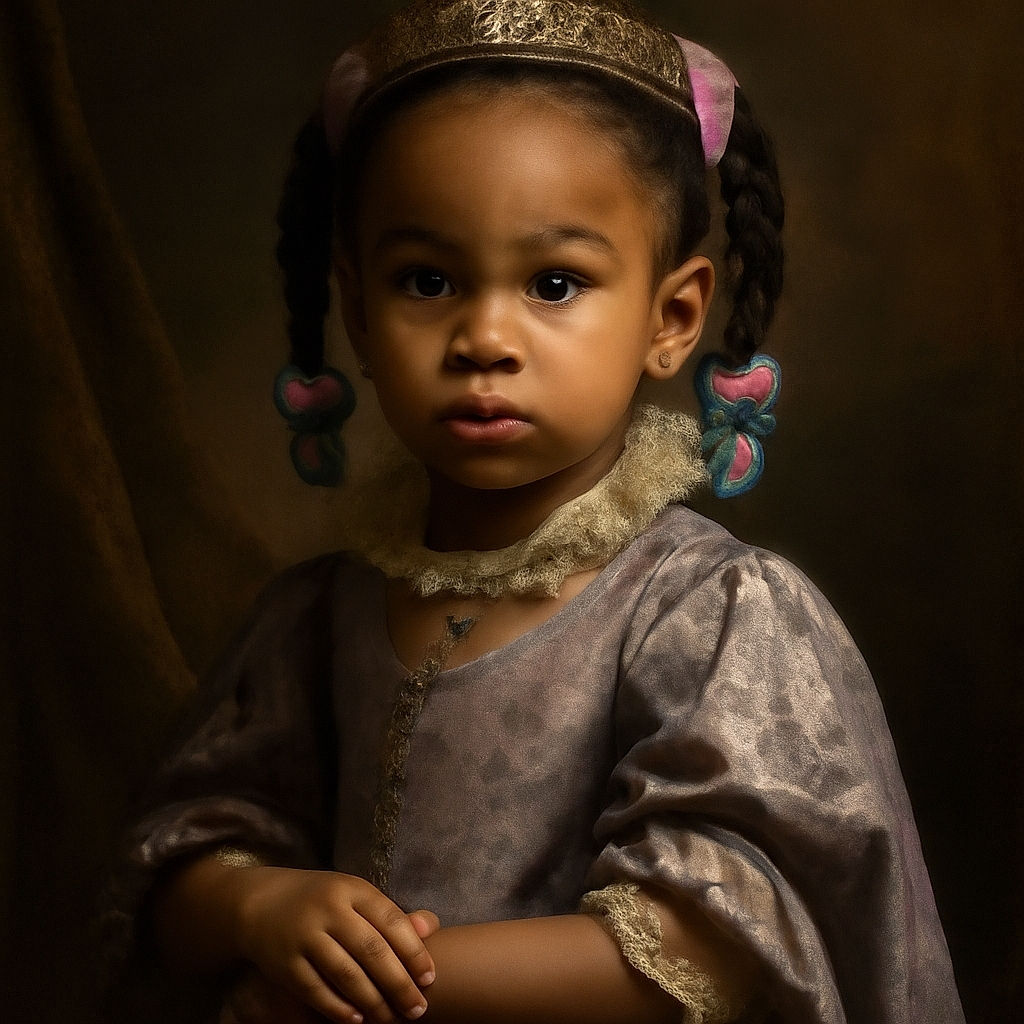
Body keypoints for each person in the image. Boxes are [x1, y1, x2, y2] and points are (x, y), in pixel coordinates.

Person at [109, 2, 965, 1021]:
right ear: (356, 311)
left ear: (671, 316)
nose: (483, 336)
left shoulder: (708, 612)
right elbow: (177, 858)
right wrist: (259, 904)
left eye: (554, 283)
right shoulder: (310, 619)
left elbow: (715, 938)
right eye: (426, 280)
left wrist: (375, 990)